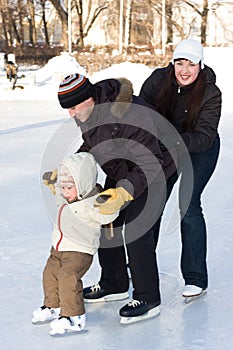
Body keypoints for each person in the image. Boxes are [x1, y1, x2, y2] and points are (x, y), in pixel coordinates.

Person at [45, 74, 178, 324]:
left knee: (136, 230)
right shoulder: (88, 113)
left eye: (73, 107)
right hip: (122, 168)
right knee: (107, 221)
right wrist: (67, 171)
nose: (71, 114)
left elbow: (151, 162)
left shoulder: (132, 114)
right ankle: (114, 283)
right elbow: (91, 145)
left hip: (156, 168)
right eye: (67, 109)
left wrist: (124, 191)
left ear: (89, 98)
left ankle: (148, 297)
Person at [139, 38, 222, 300]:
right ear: (172, 63)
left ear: (200, 65)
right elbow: (141, 113)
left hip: (199, 149)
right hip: (166, 148)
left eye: (191, 64)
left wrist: (172, 138)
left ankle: (196, 277)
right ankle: (141, 267)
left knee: (188, 205)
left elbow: (205, 137)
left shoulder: (211, 92)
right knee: (153, 202)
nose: (184, 70)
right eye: (179, 63)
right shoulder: (157, 80)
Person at [32, 152, 118, 335]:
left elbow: (107, 215)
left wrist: (112, 204)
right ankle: (53, 306)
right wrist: (53, 182)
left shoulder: (92, 203)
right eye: (63, 187)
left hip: (79, 252)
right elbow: (58, 189)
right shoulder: (65, 196)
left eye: (69, 187)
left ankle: (74, 316)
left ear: (83, 185)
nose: (65, 192)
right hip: (57, 249)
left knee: (68, 277)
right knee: (50, 275)